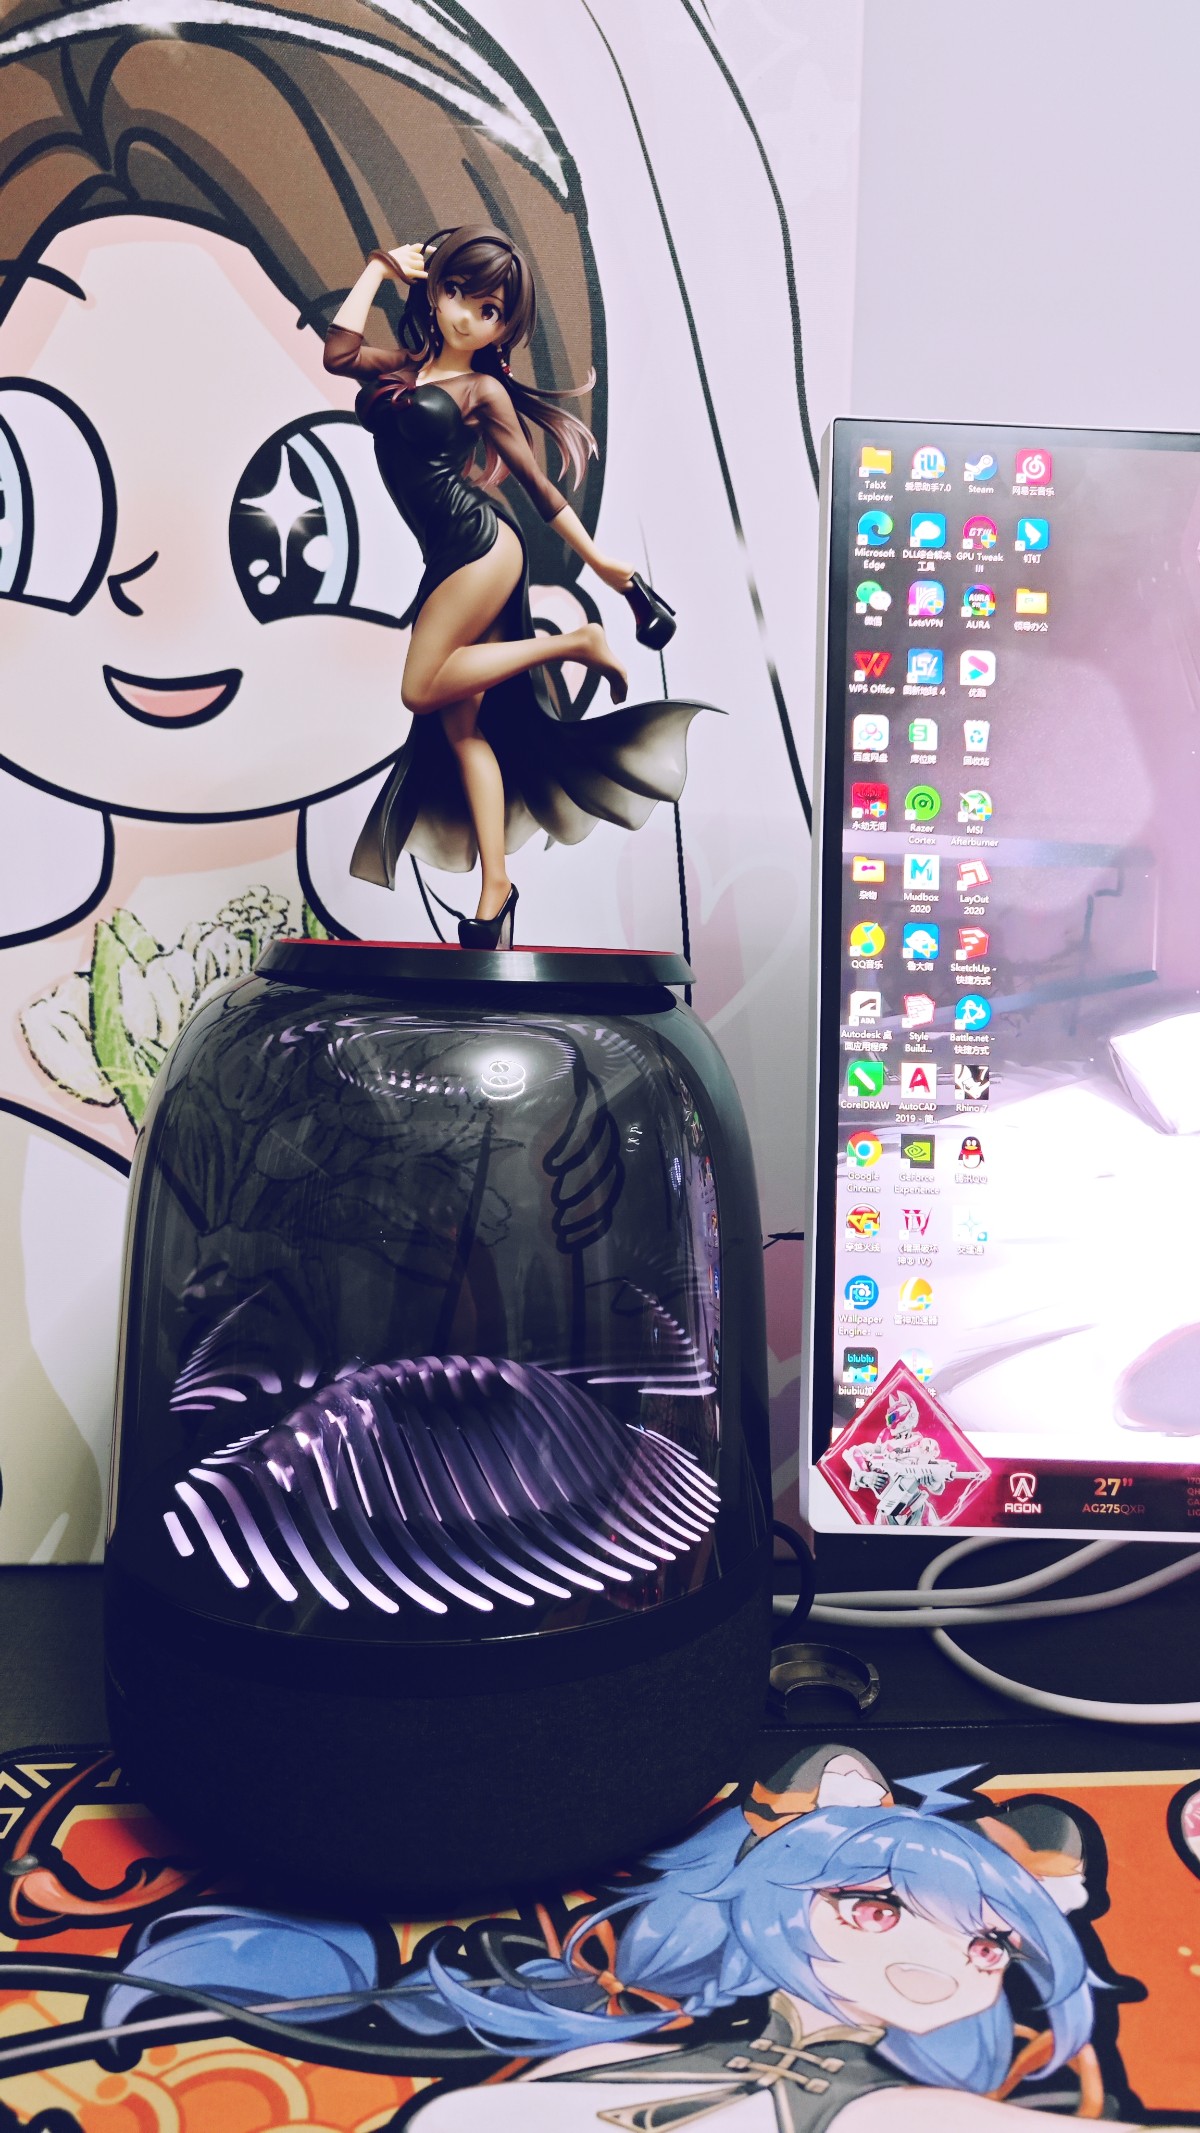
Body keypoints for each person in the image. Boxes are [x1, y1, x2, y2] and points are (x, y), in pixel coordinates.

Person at [324, 225, 705, 946]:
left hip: (481, 542)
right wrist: (378, 267)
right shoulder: (404, 366)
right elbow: (338, 353)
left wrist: (600, 563)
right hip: (444, 554)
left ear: (504, 328)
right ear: (434, 291)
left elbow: (539, 488)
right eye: (457, 293)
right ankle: (494, 887)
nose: (468, 316)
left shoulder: (484, 391)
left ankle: (573, 642)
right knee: (462, 728)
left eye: (490, 310)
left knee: (420, 687)